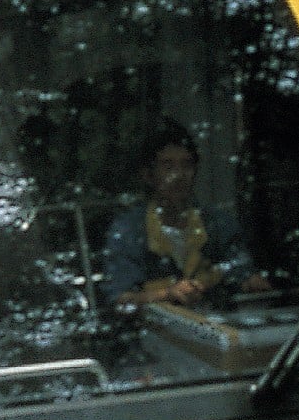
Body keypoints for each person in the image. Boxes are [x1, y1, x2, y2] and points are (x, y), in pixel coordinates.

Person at [103, 122, 255, 305]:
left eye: (187, 165)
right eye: (168, 166)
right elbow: (120, 299)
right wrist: (167, 294)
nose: (179, 174)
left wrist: (251, 282)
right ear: (148, 175)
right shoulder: (129, 230)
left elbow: (241, 273)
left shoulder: (218, 223)